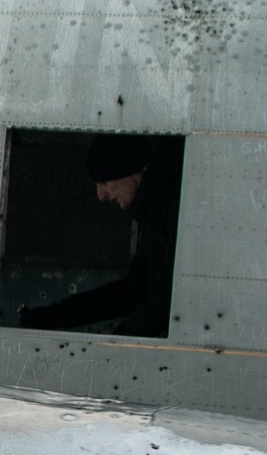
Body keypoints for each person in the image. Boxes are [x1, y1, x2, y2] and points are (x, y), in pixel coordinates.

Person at [20, 134, 183, 336]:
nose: (101, 194)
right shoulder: (157, 209)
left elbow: (169, 295)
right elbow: (133, 290)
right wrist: (54, 315)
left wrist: (114, 348)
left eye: (104, 181)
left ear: (129, 171)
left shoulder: (172, 207)